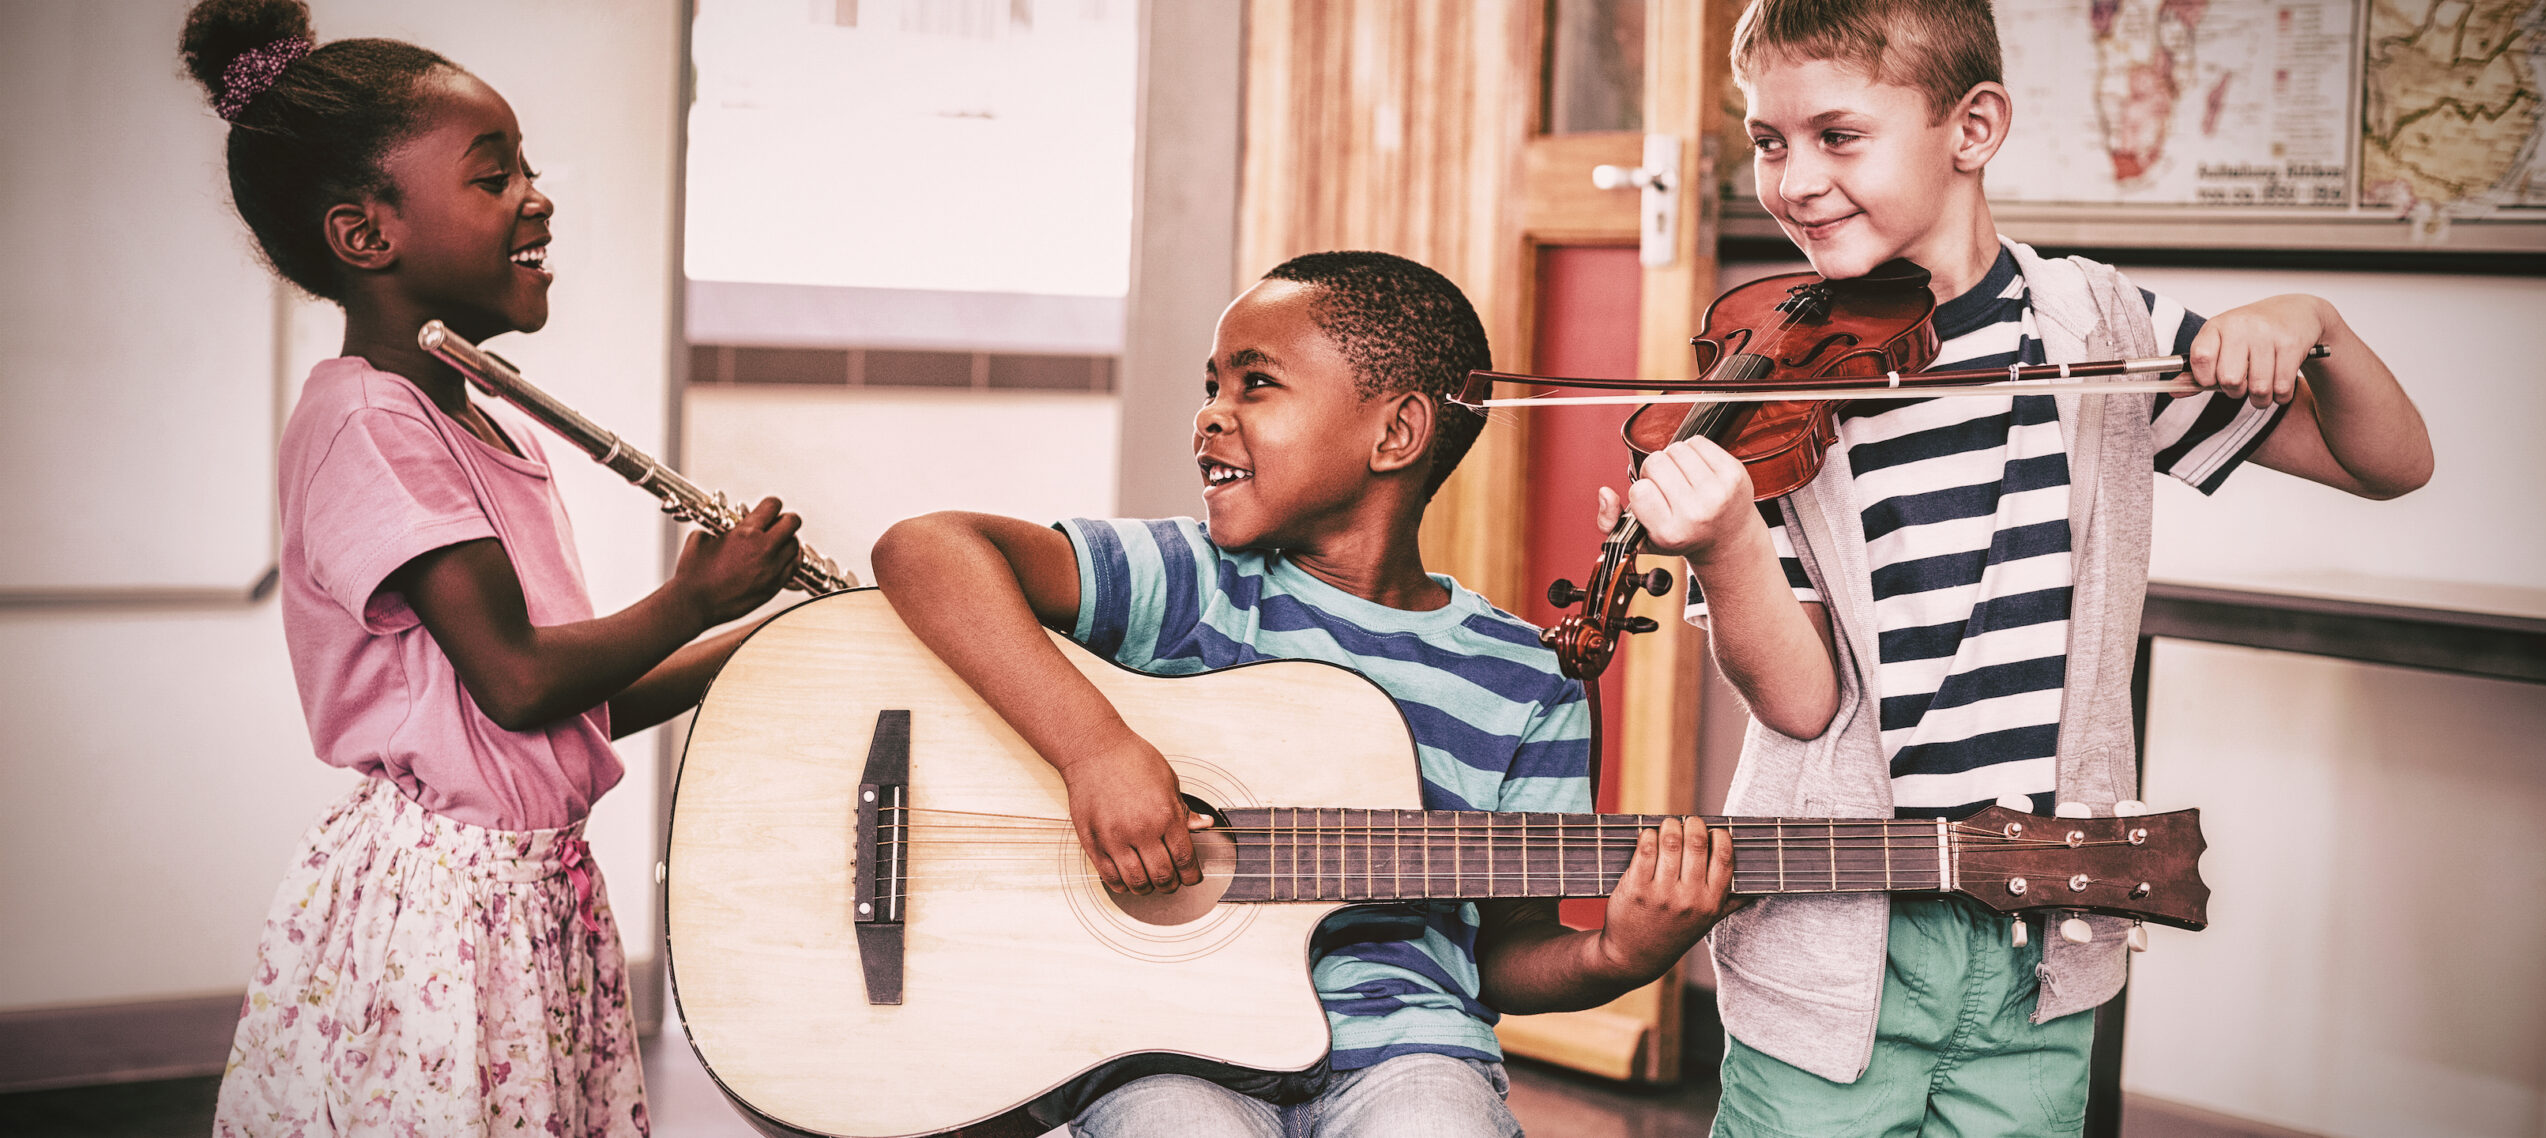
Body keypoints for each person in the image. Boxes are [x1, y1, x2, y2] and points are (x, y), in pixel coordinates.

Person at [1602, 0, 2435, 1134]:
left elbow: (2388, 463)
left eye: (1836, 136)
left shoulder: (2094, 328)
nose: (1793, 179)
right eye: (1767, 140)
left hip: (2041, 929)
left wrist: (2317, 325)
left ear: (1974, 126)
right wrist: (1729, 542)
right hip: (1839, 932)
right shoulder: (1774, 391)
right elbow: (1800, 705)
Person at [872, 251, 1739, 1137]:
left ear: (1396, 434)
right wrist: (1095, 748)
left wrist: (1617, 954)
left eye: (1257, 385)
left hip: (1406, 1048)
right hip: (1166, 1039)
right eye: (1214, 384)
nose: (1212, 413)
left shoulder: (1526, 679)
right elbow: (927, 549)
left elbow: (1506, 953)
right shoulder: (1190, 583)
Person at [183, 1, 804, 1132]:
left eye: (525, 164)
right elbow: (517, 679)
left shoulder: (472, 419)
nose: (536, 194)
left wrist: (754, 640)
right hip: (445, 914)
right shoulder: (370, 423)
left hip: (525, 890)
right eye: (492, 172)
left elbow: (564, 714)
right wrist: (692, 595)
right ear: (367, 236)